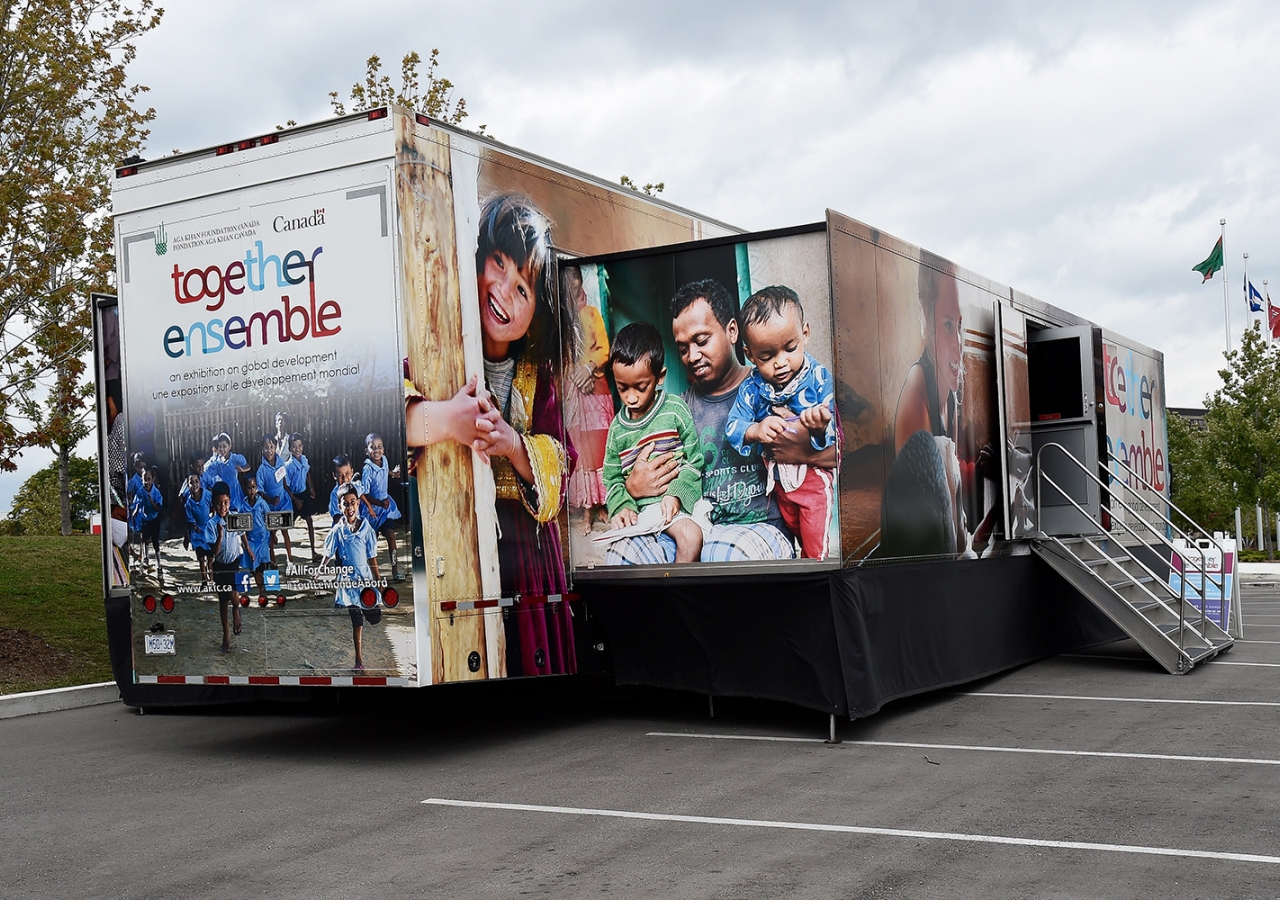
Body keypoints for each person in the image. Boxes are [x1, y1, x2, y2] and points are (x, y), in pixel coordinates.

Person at [405, 193, 577, 676]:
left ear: (538, 316)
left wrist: (513, 444)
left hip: (523, 551)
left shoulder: (536, 372)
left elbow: (562, 460)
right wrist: (446, 420)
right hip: (445, 531)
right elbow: (385, 419)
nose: (502, 289)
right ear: (475, 261)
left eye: (523, 289)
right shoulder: (432, 342)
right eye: (497, 264)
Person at [605, 278, 838, 565]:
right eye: (682, 348)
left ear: (731, 331)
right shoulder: (675, 410)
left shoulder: (773, 388)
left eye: (702, 341)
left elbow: (847, 452)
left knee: (722, 553)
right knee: (622, 555)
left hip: (761, 529)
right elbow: (644, 470)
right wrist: (632, 488)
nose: (692, 356)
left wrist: (804, 449)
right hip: (694, 526)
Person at [887, 255, 995, 557]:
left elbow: (954, 481)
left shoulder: (949, 390)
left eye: (960, 326)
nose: (958, 343)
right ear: (926, 317)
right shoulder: (917, 393)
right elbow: (938, 534)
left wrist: (981, 469)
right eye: (947, 325)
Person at [726, 286, 838, 559]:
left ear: (805, 334)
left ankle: (817, 578)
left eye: (790, 348)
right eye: (766, 356)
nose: (781, 363)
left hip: (812, 481)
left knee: (814, 548)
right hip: (777, 485)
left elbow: (841, 433)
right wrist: (755, 429)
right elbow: (732, 426)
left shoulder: (819, 380)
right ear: (750, 355)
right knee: (792, 533)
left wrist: (819, 425)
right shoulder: (752, 388)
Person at [601, 323, 704, 563]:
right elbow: (612, 479)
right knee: (620, 554)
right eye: (622, 388)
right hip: (639, 513)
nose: (632, 397)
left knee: (690, 537)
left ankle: (677, 596)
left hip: (675, 508)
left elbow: (695, 461)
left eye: (641, 387)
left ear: (660, 377)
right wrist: (622, 507)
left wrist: (676, 494)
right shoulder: (617, 430)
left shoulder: (675, 410)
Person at [562, 265, 612, 535]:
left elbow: (604, 349)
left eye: (574, 280)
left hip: (596, 388)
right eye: (566, 283)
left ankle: (602, 505)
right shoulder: (560, 320)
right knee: (579, 448)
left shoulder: (593, 314)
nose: (571, 286)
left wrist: (588, 369)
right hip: (573, 389)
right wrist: (574, 374)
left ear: (581, 281)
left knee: (600, 445)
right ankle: (585, 513)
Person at [321, 483, 382, 672]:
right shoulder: (338, 531)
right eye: (345, 504)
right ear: (340, 506)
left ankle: (367, 611)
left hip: (364, 583)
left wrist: (378, 581)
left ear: (358, 505)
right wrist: (321, 569)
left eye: (353, 503)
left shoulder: (366, 529)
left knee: (375, 618)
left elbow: (372, 556)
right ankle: (359, 661)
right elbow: (329, 552)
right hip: (348, 584)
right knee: (357, 622)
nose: (349, 507)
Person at [209, 482, 249, 653]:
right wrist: (220, 535)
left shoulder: (234, 517)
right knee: (223, 600)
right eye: (219, 503)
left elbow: (242, 533)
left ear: (230, 501)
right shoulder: (212, 523)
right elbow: (213, 551)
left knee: (235, 592)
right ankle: (226, 632)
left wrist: (248, 549)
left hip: (234, 560)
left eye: (225, 502)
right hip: (220, 565)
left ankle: (237, 612)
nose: (223, 506)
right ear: (213, 503)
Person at [359, 432, 402, 582]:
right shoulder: (367, 470)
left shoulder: (384, 460)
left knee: (391, 535)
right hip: (371, 511)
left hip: (384, 508)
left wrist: (393, 474)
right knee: (372, 543)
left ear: (383, 449)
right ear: (367, 451)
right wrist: (378, 504)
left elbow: (384, 471)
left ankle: (395, 570)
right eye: (373, 447)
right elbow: (363, 494)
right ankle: (370, 574)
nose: (377, 450)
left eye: (380, 447)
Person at [256, 433, 293, 565]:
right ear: (262, 449)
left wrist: (291, 496)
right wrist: (270, 500)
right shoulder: (261, 470)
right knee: (270, 536)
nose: (269, 450)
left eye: (272, 447)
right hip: (270, 506)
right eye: (266, 447)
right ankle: (273, 563)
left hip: (282, 502)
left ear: (276, 447)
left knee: (285, 531)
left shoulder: (281, 462)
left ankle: (290, 559)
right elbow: (259, 491)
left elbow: (284, 481)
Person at [284, 433, 318, 562]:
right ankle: (288, 556)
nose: (297, 449)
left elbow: (307, 472)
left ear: (302, 447)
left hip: (303, 494)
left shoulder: (304, 460)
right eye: (293, 446)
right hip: (292, 497)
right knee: (285, 526)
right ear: (289, 449)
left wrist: (311, 488)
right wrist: (295, 500)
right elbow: (285, 486)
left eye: (299, 446)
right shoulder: (289, 466)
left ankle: (313, 551)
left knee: (309, 521)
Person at [241, 475, 274, 605]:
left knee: (263, 565)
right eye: (249, 488)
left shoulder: (262, 503)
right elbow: (241, 527)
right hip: (250, 540)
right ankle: (260, 588)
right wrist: (244, 543)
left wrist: (272, 535)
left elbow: (269, 519)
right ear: (245, 489)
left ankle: (262, 592)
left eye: (254, 487)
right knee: (253, 567)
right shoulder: (242, 506)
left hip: (263, 539)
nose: (252, 490)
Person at [203, 432, 251, 511]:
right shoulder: (217, 463)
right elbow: (207, 473)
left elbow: (248, 466)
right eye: (220, 447)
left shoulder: (235, 459)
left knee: (238, 511)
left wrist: (243, 469)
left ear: (230, 447)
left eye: (224, 446)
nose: (222, 449)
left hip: (235, 491)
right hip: (224, 491)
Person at [129, 465, 163, 575]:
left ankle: (159, 565)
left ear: (152, 479)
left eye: (148, 479)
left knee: (155, 542)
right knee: (144, 539)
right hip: (145, 519)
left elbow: (158, 507)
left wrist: (151, 501)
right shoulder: (140, 491)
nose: (146, 482)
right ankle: (145, 559)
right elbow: (137, 502)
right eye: (144, 479)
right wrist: (135, 511)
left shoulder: (156, 492)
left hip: (154, 519)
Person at [183, 475, 213, 583]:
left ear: (200, 483)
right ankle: (204, 580)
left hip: (209, 530)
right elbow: (189, 519)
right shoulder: (188, 503)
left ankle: (211, 577)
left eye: (196, 481)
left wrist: (212, 518)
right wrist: (195, 527)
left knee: (210, 559)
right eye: (192, 482)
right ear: (188, 485)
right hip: (197, 533)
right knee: (201, 558)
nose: (194, 484)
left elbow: (214, 505)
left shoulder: (207, 495)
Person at [329, 453, 363, 527]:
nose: (345, 479)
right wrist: (349, 525)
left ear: (352, 472)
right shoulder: (335, 494)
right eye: (340, 476)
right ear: (334, 475)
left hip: (357, 526)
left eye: (347, 474)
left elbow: (364, 497)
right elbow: (336, 517)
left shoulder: (356, 487)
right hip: (342, 529)